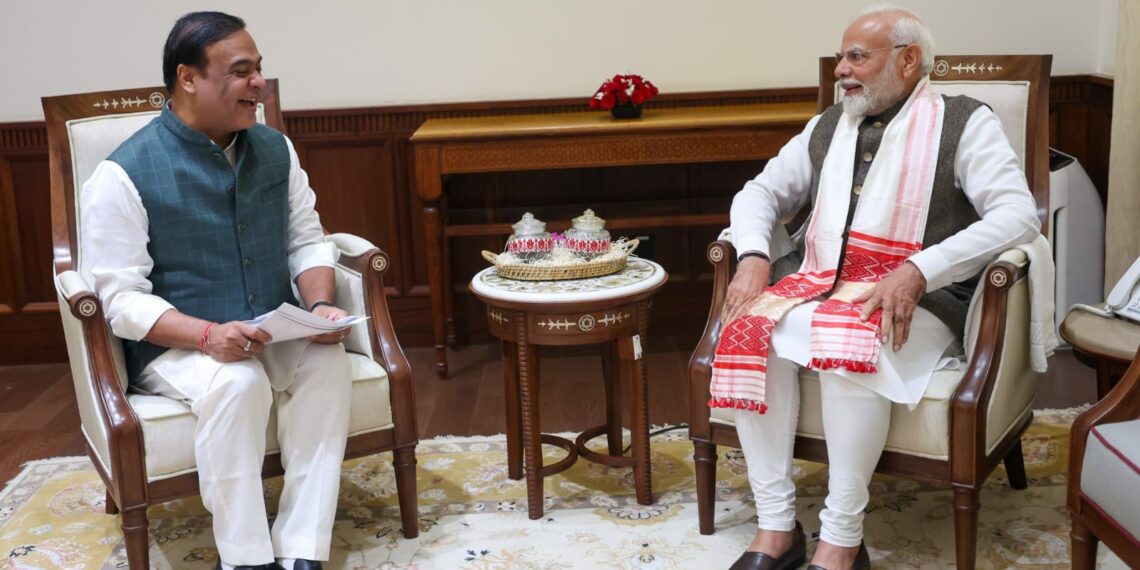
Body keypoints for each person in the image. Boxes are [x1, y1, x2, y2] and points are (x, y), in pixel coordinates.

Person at [711, 6, 1041, 570]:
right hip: (820, 281)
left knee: (848, 339)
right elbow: (758, 193)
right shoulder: (827, 126)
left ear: (909, 60)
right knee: (747, 331)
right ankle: (776, 529)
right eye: (842, 57)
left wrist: (920, 269)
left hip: (923, 298)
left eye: (857, 57)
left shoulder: (965, 123)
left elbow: (1017, 215)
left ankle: (841, 540)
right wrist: (754, 255)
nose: (840, 69)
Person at [80, 12, 352, 570]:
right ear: (188, 78)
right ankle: (245, 558)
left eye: (259, 69)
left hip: (271, 328)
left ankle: (302, 548)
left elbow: (307, 241)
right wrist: (207, 336)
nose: (259, 84)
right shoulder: (122, 173)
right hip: (180, 347)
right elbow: (121, 299)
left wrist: (321, 306)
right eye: (241, 71)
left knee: (327, 364)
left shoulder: (276, 149)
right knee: (237, 381)